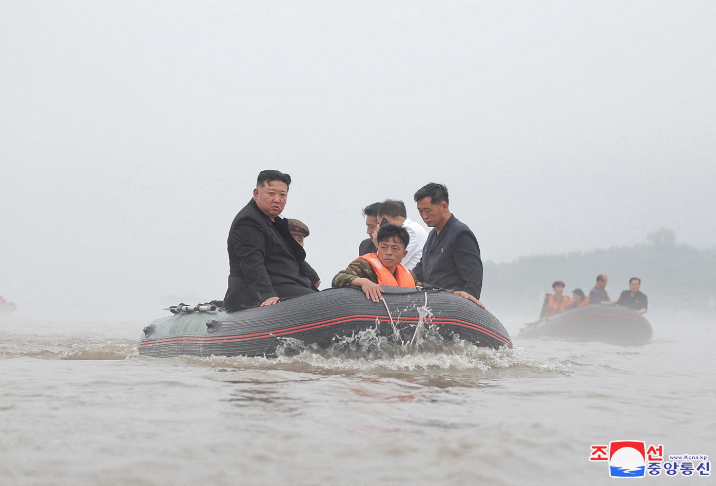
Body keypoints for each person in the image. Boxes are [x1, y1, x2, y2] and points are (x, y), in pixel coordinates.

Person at [224, 170, 318, 311]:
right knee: (316, 302)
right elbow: (252, 263)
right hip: (253, 292)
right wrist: (267, 295)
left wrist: (312, 277)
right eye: (271, 193)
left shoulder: (275, 223)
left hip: (286, 284)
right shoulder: (248, 221)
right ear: (256, 194)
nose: (277, 200)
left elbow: (291, 254)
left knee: (327, 299)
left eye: (282, 195)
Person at [332, 224, 482, 307]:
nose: (388, 252)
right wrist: (363, 282)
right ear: (378, 249)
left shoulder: (408, 275)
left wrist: (455, 293)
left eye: (395, 248)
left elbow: (426, 289)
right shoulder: (364, 265)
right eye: (384, 247)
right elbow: (339, 278)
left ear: (404, 254)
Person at [412, 183, 484, 302]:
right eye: (420, 211)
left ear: (444, 207)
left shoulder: (461, 234)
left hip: (452, 306)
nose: (424, 216)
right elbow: (420, 270)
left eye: (427, 210)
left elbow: (473, 280)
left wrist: (468, 306)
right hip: (431, 304)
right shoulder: (432, 235)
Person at [376, 199, 428, 270]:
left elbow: (387, 264)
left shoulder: (410, 230)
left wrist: (378, 241)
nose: (378, 227)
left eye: (379, 223)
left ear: (385, 220)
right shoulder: (413, 227)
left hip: (411, 278)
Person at [287, 218, 321, 289]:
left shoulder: (300, 261)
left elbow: (316, 282)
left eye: (300, 240)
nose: (297, 244)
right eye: (292, 239)